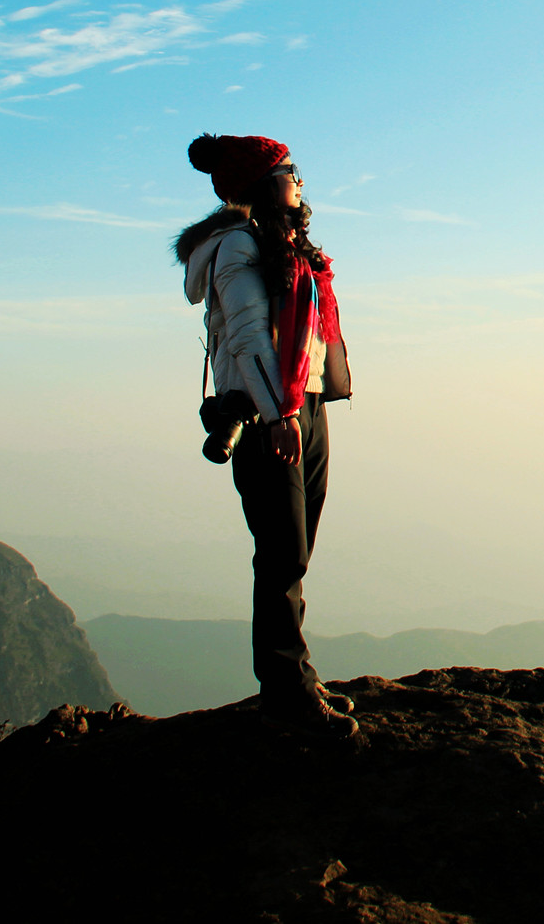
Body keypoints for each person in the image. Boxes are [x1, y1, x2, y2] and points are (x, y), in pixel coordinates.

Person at [175, 133, 356, 738]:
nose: (300, 180)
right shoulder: (237, 246)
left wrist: (307, 403)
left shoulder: (284, 245)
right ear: (262, 183)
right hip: (266, 413)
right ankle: (286, 692)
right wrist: (279, 417)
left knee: (295, 549)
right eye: (290, 171)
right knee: (281, 551)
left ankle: (294, 676)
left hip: (302, 403)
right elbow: (252, 336)